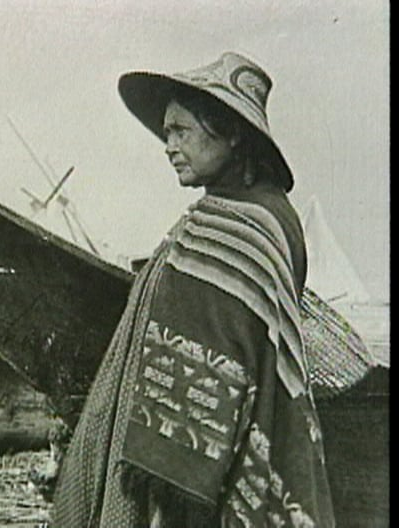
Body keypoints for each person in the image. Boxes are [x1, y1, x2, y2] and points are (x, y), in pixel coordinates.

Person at [51, 52, 335, 527]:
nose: (168, 146)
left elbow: (239, 347)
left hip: (208, 463)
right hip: (170, 442)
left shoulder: (255, 226)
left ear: (231, 132)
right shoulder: (220, 219)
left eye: (180, 131)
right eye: (167, 133)